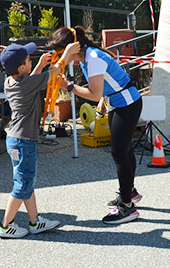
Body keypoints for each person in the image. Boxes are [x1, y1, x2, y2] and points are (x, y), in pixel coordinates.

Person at [49, 26, 143, 225]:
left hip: (127, 103)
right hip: (119, 102)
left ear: (74, 47)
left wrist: (69, 86)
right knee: (125, 150)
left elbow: (93, 93)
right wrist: (103, 99)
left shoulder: (93, 58)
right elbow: (106, 84)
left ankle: (127, 206)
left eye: (60, 51)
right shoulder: (87, 56)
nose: (59, 56)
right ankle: (130, 193)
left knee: (119, 153)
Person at [0, 42, 76, 238]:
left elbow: (30, 81)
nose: (31, 60)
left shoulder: (11, 82)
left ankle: (35, 221)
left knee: (25, 181)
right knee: (22, 185)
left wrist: (39, 65)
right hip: (24, 141)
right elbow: (56, 71)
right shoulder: (27, 84)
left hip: (15, 139)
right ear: (21, 67)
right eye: (28, 59)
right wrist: (66, 53)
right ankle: (5, 225)